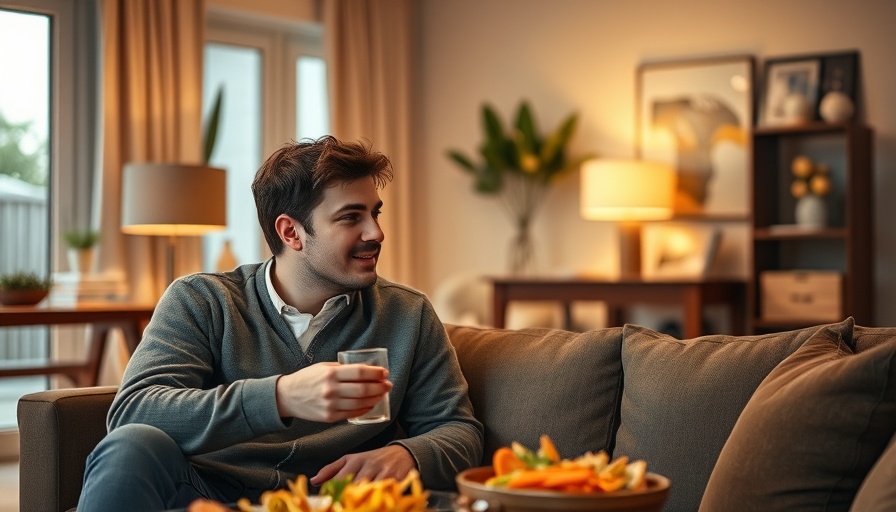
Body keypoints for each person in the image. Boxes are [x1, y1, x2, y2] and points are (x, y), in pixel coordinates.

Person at [77, 136, 484, 511]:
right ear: (291, 232)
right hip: (208, 495)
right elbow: (133, 411)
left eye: (375, 213)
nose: (376, 232)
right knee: (132, 444)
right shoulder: (203, 300)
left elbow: (457, 429)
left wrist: (409, 454)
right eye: (350, 217)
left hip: (336, 502)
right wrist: (280, 397)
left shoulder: (406, 314)